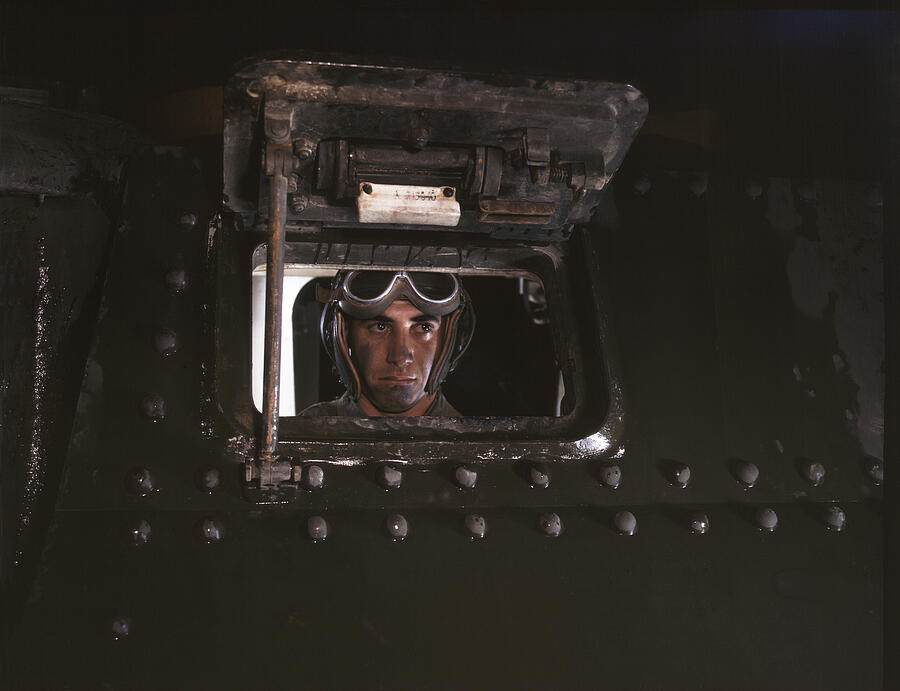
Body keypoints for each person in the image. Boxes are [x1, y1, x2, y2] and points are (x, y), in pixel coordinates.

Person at [299, 270, 475, 417]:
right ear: (343, 335)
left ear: (451, 338)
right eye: (380, 327)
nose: (400, 357)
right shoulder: (299, 436)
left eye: (423, 327)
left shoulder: (479, 445)